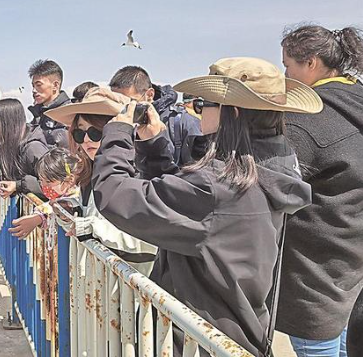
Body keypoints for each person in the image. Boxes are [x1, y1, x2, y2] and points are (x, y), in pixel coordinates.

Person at [89, 57, 321, 356]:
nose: (197, 112)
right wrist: (153, 143)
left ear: (232, 112)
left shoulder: (218, 187)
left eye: (203, 104)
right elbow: (184, 206)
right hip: (235, 331)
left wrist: (118, 130)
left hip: (196, 340)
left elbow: (115, 194)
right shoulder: (269, 170)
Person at [278, 24, 363, 356]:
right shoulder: (356, 102)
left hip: (313, 275)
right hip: (352, 264)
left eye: (287, 65)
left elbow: (272, 191)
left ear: (310, 63)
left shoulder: (306, 119)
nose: (286, 75)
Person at [8, 144, 157, 274]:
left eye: (49, 181)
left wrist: (90, 226)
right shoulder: (83, 189)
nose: (86, 139)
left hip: (116, 278)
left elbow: (143, 241)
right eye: (79, 133)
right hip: (90, 276)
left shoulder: (130, 182)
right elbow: (56, 206)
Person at [109, 66, 202, 165]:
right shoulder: (113, 122)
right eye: (117, 103)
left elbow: (196, 175)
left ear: (149, 95)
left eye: (129, 103)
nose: (124, 110)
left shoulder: (184, 123)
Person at [27, 59, 72, 148]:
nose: (34, 90)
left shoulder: (69, 114)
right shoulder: (38, 115)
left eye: (38, 85)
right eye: (33, 86)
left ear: (55, 85)